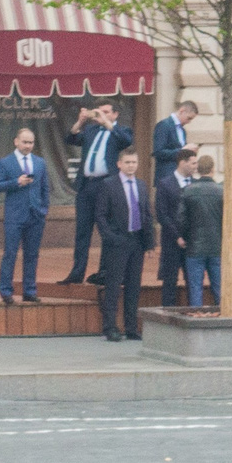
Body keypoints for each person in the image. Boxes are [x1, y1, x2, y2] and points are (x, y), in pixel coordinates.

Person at [63, 101, 133, 285]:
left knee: (106, 230)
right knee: (82, 231)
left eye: (106, 112)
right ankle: (77, 273)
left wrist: (107, 124)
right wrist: (80, 122)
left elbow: (126, 141)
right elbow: (70, 139)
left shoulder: (120, 131)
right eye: (99, 112)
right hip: (87, 186)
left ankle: (104, 272)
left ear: (115, 114)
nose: (101, 115)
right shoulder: (92, 131)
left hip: (107, 186)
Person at [91, 146, 150, 342]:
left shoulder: (141, 185)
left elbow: (146, 214)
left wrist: (149, 242)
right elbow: (100, 215)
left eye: (134, 162)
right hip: (117, 242)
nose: (131, 165)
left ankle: (131, 327)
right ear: (119, 164)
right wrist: (111, 238)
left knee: (133, 287)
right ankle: (110, 327)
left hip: (137, 241)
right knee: (114, 286)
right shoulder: (109, 185)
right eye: (127, 162)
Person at [0, 127, 50, 305]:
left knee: (32, 254)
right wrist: (16, 182)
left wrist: (44, 209)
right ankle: (6, 291)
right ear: (16, 142)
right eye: (25, 142)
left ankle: (29, 291)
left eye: (31, 142)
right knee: (10, 253)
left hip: (35, 215)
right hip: (15, 215)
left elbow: (45, 188)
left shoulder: (40, 163)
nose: (28, 146)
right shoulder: (5, 162)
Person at [179, 154, 225, 308]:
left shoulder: (188, 190)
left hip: (194, 247)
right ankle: (224, 322)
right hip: (217, 246)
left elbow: (181, 219)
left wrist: (186, 236)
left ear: (198, 170)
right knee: (219, 288)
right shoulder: (222, 191)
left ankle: (196, 322)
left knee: (195, 289)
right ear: (213, 169)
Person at [155, 145, 193, 308]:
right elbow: (162, 213)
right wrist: (177, 236)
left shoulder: (196, 184)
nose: (196, 166)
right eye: (193, 163)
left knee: (192, 281)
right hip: (171, 241)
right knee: (170, 281)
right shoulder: (165, 184)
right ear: (182, 162)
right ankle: (167, 315)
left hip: (192, 242)